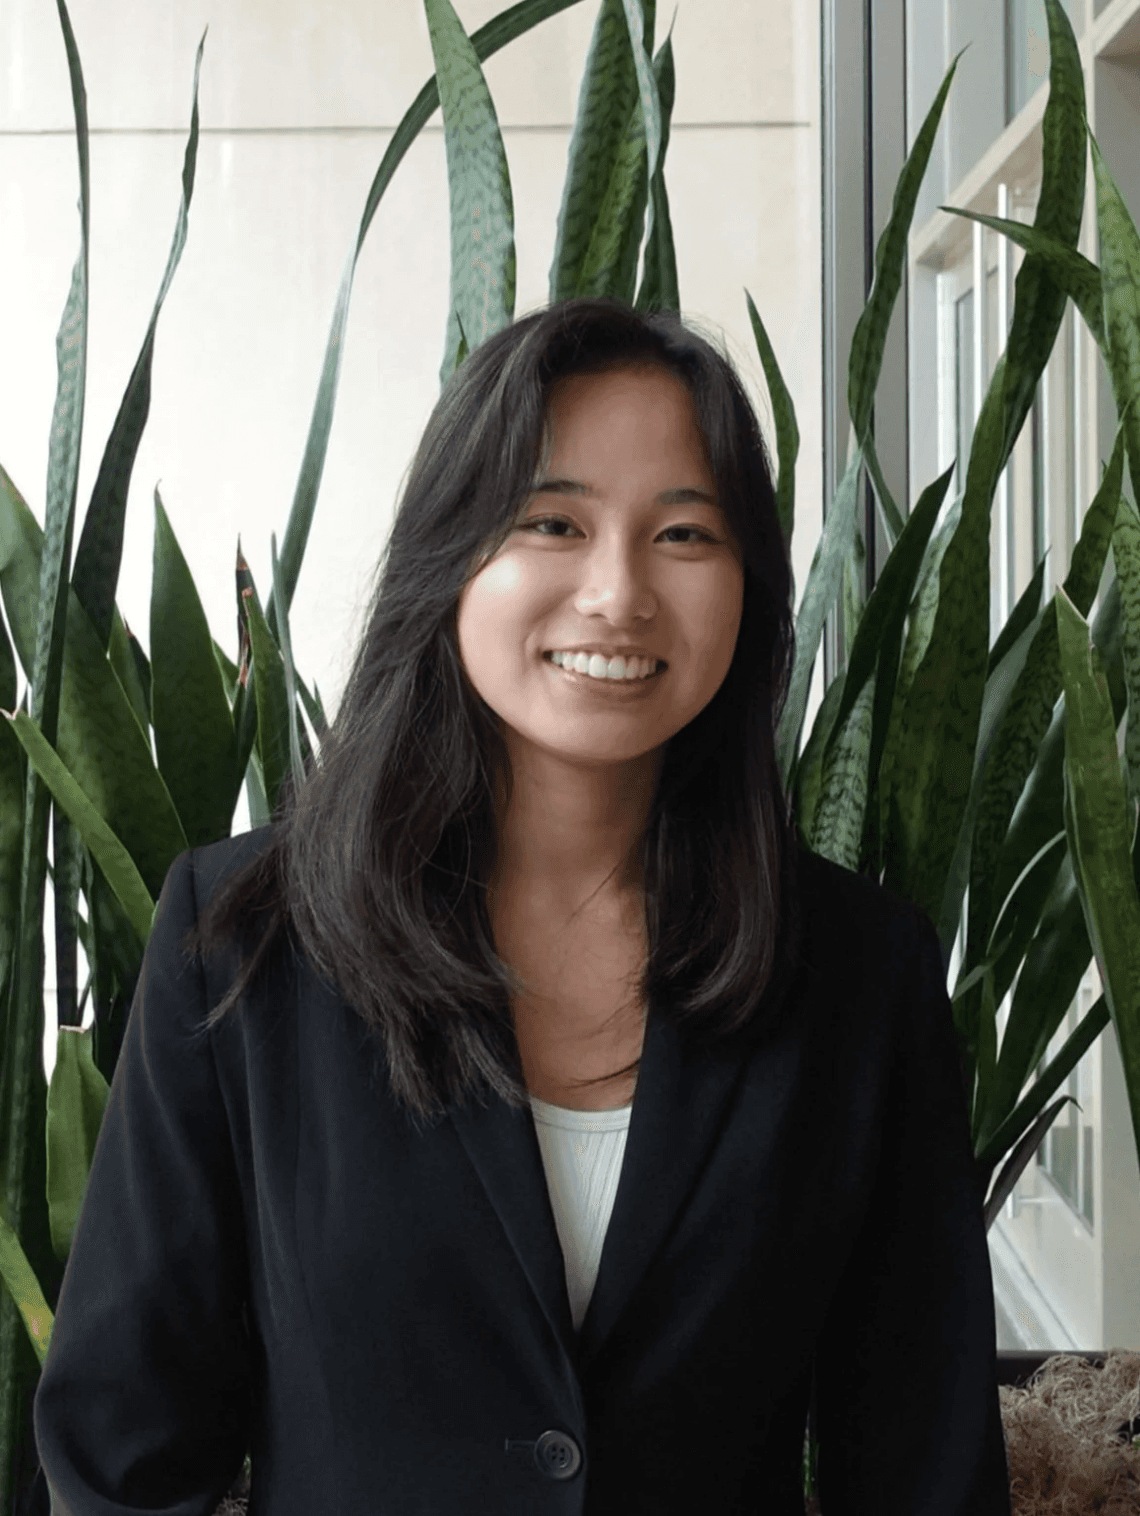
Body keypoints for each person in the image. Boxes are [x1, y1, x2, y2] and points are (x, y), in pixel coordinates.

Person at [33, 296, 1011, 1514]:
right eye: (554, 521)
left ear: (750, 585)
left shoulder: (861, 974)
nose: (617, 591)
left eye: (684, 533)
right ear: (454, 554)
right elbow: (123, 1451)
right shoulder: (242, 937)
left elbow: (926, 1462)